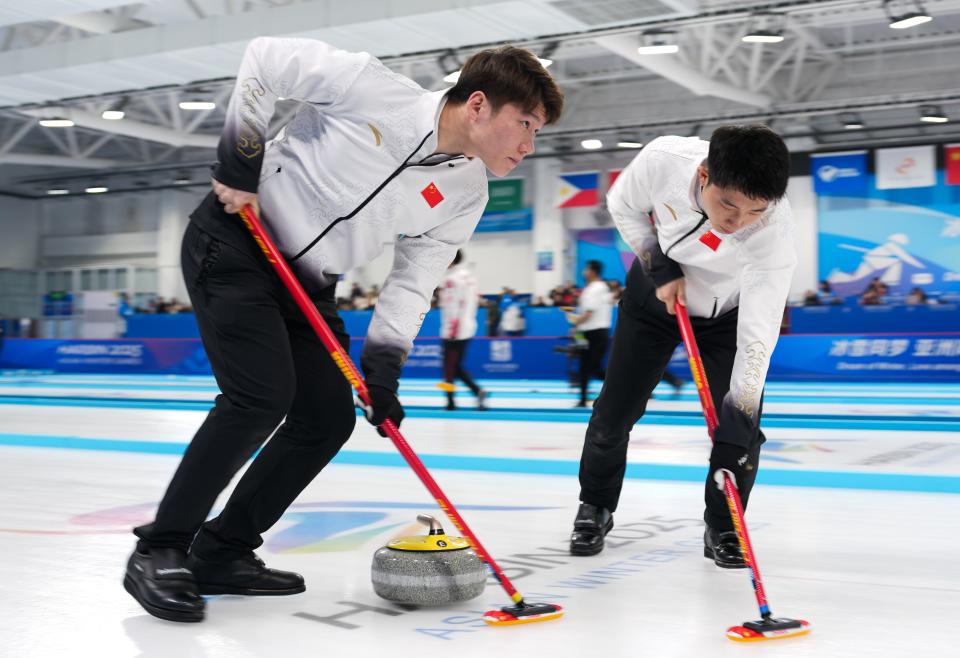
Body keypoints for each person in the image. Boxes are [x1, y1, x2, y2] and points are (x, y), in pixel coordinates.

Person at [123, 36, 562, 623]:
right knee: (259, 397)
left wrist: (383, 371)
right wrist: (240, 161)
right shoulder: (372, 89)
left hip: (308, 284)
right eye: (525, 124)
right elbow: (264, 59)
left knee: (327, 418)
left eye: (538, 132)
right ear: (478, 105)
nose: (530, 146)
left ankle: (221, 550)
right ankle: (160, 548)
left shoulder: (467, 192)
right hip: (236, 241)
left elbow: (413, 281)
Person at [569, 125, 796, 568]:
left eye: (754, 211)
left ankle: (725, 524)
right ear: (705, 174)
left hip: (725, 317)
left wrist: (740, 412)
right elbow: (623, 205)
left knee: (740, 430)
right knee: (612, 415)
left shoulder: (775, 228)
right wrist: (658, 265)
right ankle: (595, 506)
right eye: (728, 204)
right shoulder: (663, 161)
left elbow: (758, 334)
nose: (738, 221)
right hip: (652, 302)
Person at [438, 250, 487, 410]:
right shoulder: (468, 276)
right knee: (455, 367)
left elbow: (454, 306)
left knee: (449, 368)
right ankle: (476, 392)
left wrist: (452, 331)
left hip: (454, 330)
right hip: (467, 327)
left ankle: (452, 401)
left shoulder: (451, 279)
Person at [570, 260, 612, 407]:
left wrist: (575, 321)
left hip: (595, 333)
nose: (583, 272)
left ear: (592, 271)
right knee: (585, 366)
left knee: (592, 368)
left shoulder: (597, 288)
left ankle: (624, 385)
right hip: (585, 332)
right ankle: (582, 399)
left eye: (586, 269)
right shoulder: (591, 288)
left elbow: (588, 313)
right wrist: (577, 329)